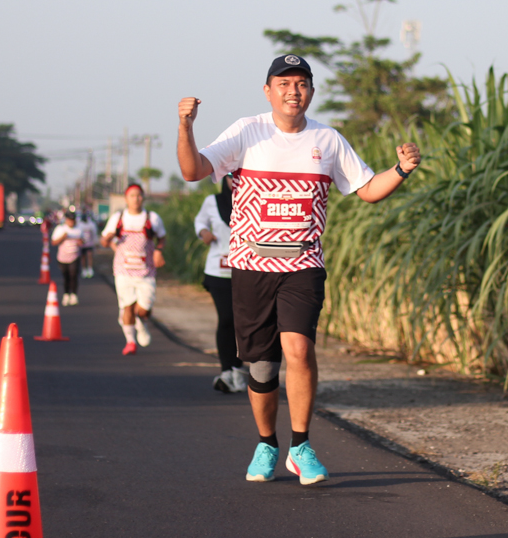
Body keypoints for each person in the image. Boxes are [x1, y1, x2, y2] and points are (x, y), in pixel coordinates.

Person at [177, 54, 421, 486]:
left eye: (302, 83)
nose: (294, 91)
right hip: (251, 265)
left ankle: (302, 446)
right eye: (284, 83)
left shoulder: (327, 140)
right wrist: (186, 127)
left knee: (300, 350)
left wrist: (401, 170)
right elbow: (193, 170)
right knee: (262, 367)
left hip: (302, 263)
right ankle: (266, 444)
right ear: (268, 91)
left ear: (311, 91)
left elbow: (367, 189)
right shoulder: (246, 132)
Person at [194, 174, 248, 393]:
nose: (235, 181)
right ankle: (227, 371)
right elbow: (200, 221)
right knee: (226, 319)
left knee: (243, 323)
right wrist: (204, 232)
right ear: (224, 179)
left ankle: (238, 369)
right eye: (231, 177)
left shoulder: (253, 199)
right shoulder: (212, 201)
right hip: (218, 271)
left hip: (247, 270)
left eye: (240, 176)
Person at [100, 184, 167, 355]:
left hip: (146, 271)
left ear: (143, 198)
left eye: (139, 195)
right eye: (132, 196)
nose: (136, 199)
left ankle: (141, 322)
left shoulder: (152, 218)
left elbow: (162, 238)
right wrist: (108, 239)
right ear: (126, 199)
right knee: (127, 307)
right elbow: (104, 241)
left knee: (144, 309)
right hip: (123, 271)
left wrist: (158, 251)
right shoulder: (118, 218)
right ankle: (130, 341)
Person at [51, 209, 84, 306]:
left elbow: (83, 241)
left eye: (73, 220)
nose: (71, 222)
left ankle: (74, 294)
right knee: (66, 276)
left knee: (73, 275)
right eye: (69, 220)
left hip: (74, 256)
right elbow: (53, 242)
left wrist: (80, 242)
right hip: (62, 257)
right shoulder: (60, 229)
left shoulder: (79, 229)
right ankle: (66, 294)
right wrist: (63, 237)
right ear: (66, 220)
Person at [78, 209, 98, 279]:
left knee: (89, 256)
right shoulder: (80, 224)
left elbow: (94, 234)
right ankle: (84, 270)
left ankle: (90, 269)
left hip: (90, 244)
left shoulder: (91, 224)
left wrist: (95, 242)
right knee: (83, 257)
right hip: (82, 245)